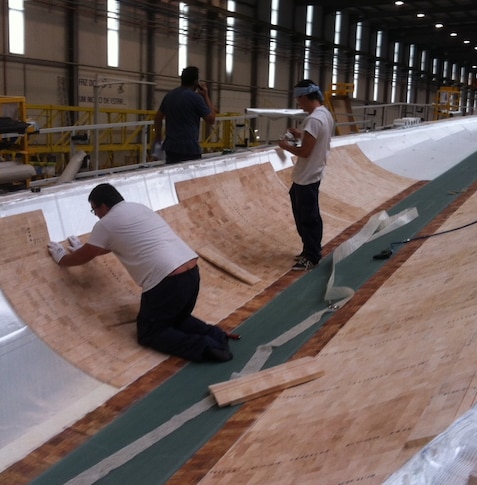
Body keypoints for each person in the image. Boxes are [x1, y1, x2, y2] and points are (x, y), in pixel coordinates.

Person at [46, 183, 233, 362]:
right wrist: (83, 248)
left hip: (166, 282)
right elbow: (113, 244)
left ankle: (206, 348)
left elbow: (83, 257)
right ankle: (216, 334)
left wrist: (62, 258)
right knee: (176, 319)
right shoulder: (138, 208)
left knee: (150, 333)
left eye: (94, 210)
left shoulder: (106, 224)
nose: (96, 215)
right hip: (191, 273)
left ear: (103, 205)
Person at [277, 79, 335, 271]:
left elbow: (305, 152)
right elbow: (316, 138)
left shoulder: (313, 119)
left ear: (304, 97)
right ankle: (310, 249)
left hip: (307, 175)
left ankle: (311, 255)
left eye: (298, 99)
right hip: (312, 173)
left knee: (307, 217)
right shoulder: (324, 114)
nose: (297, 103)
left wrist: (286, 146)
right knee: (305, 212)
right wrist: (300, 134)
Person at [153, 66, 217, 164]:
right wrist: (206, 96)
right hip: (189, 148)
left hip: (171, 148)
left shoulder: (169, 95)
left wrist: (158, 136)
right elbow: (211, 120)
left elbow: (157, 118)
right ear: (196, 82)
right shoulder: (196, 98)